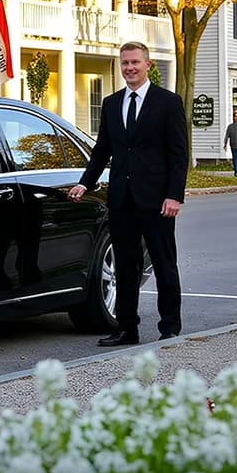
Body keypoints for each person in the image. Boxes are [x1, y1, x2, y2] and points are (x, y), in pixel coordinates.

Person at [68, 41, 187, 346]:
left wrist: (174, 195)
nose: (129, 68)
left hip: (158, 200)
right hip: (121, 199)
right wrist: (85, 182)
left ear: (148, 65)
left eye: (135, 62)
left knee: (163, 263)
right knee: (125, 265)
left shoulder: (168, 102)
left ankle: (170, 325)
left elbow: (178, 154)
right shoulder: (111, 103)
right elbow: (101, 151)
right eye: (125, 63)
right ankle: (126, 328)